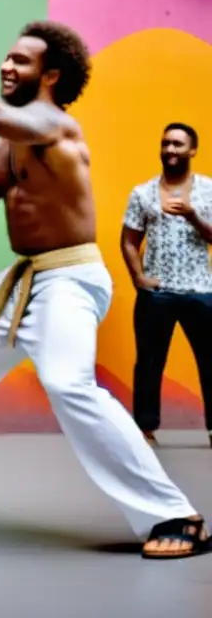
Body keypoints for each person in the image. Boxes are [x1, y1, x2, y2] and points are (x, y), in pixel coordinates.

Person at [0, 21, 210, 560]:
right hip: (24, 280)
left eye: (21, 61)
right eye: (6, 57)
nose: (7, 66)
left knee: (66, 383)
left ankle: (175, 515)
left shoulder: (55, 127)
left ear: (51, 76)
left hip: (71, 277)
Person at [121, 123, 212, 447]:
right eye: (166, 143)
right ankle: (145, 429)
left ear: (192, 150)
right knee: (148, 361)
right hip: (156, 293)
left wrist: (193, 216)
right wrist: (138, 278)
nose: (170, 150)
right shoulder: (142, 193)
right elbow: (129, 241)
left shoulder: (208, 189)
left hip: (201, 291)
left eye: (177, 144)